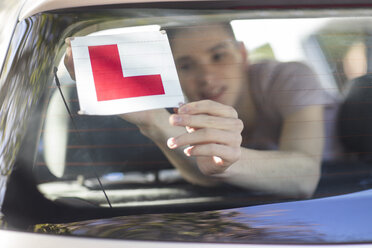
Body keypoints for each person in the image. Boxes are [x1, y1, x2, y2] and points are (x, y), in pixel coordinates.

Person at [64, 23, 338, 198]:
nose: (206, 77)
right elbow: (203, 175)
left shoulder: (287, 79)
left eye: (218, 56)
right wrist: (152, 120)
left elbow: (304, 176)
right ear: (173, 73)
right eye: (186, 65)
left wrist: (227, 159)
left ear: (242, 56)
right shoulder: (181, 108)